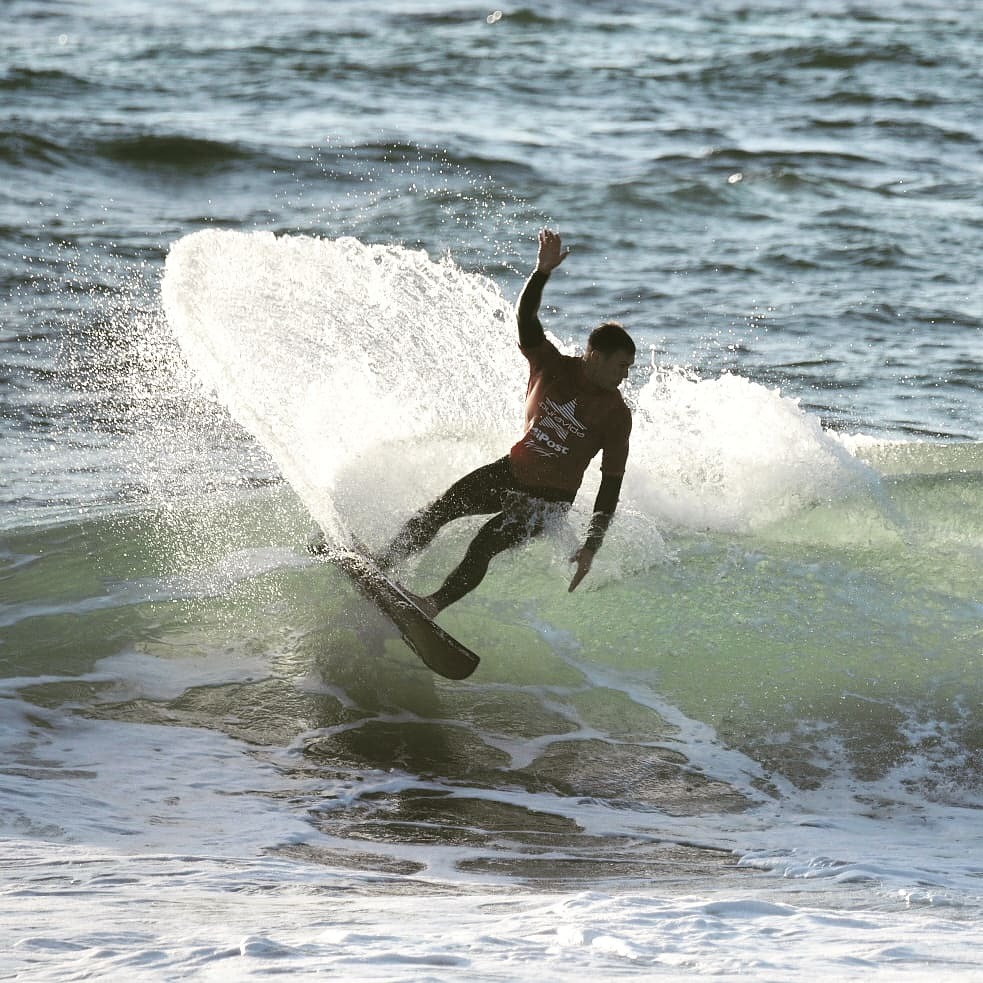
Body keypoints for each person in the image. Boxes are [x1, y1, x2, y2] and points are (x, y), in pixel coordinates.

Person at [379, 228, 635, 617]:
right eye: (621, 366)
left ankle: (431, 606)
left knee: (483, 545)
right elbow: (525, 316)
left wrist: (591, 546)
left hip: (547, 502)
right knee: (439, 510)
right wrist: (541, 273)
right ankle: (380, 566)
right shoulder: (550, 365)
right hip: (511, 471)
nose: (625, 376)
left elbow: (610, 485)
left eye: (628, 368)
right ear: (596, 357)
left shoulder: (617, 415)